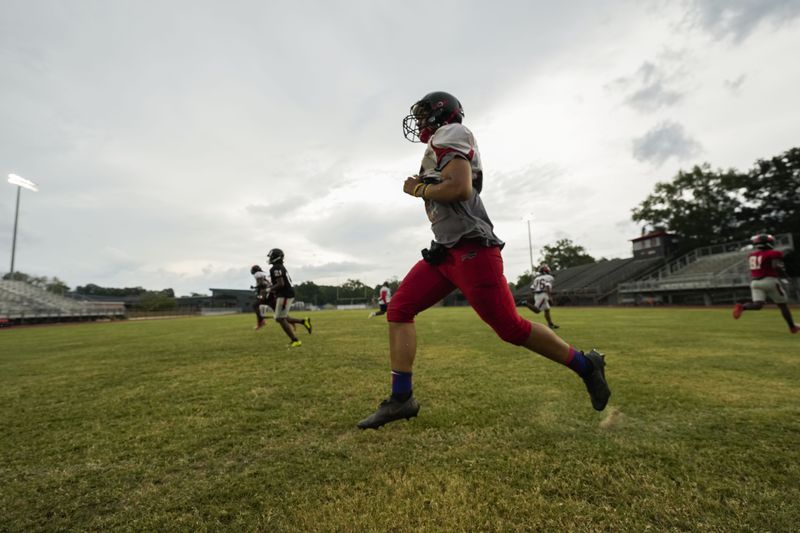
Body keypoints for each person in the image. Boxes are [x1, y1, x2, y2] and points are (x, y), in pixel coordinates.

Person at [357, 91, 611, 430]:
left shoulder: (451, 134)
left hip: (472, 250)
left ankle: (586, 365)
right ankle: (401, 398)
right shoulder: (440, 145)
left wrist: (417, 190)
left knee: (510, 328)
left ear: (439, 115)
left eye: (422, 115)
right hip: (447, 250)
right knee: (400, 308)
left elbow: (460, 189)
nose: (418, 122)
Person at [733, 234, 799, 334]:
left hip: (755, 282)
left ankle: (743, 307)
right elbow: (776, 266)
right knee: (782, 305)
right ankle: (792, 327)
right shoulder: (774, 253)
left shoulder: (752, 255)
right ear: (769, 243)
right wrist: (785, 276)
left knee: (758, 305)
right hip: (769, 281)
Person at [266, 248, 313, 347]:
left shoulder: (276, 268)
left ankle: (295, 340)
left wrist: (268, 289)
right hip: (285, 294)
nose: (270, 258)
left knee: (280, 318)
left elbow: (281, 284)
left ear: (275, 257)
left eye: (271, 256)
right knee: (283, 317)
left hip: (285, 294)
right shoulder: (279, 267)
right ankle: (303, 322)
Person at [525, 264, 559, 329]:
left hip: (537, 294)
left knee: (547, 310)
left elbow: (532, 288)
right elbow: (547, 286)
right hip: (543, 295)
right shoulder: (549, 277)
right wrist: (550, 297)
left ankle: (550, 324)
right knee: (537, 311)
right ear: (546, 271)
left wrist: (533, 293)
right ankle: (525, 303)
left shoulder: (536, 278)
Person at [250, 264, 273, 330]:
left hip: (265, 293)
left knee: (255, 306)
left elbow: (262, 284)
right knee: (257, 306)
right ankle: (261, 322)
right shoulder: (263, 273)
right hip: (270, 292)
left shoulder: (257, 274)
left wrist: (256, 287)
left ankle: (261, 321)